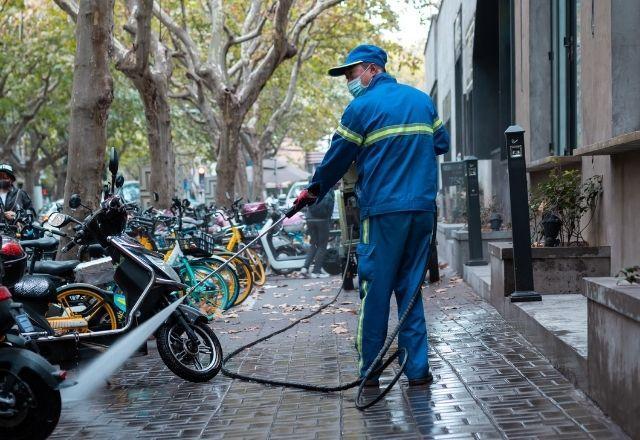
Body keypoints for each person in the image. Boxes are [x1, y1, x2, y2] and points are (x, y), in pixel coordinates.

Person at [293, 44, 449, 387]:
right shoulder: (421, 100)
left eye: (351, 73)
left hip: (383, 213)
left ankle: (371, 371)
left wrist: (313, 191)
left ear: (371, 70)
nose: (349, 80)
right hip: (422, 210)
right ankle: (418, 370)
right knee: (411, 289)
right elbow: (441, 143)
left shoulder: (360, 108)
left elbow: (336, 159)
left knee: (376, 290)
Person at [300, 189, 335, 278]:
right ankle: (316, 272)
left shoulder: (313, 186)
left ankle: (304, 268)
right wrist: (329, 221)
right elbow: (330, 208)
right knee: (322, 246)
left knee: (314, 244)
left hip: (310, 219)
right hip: (323, 220)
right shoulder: (329, 188)